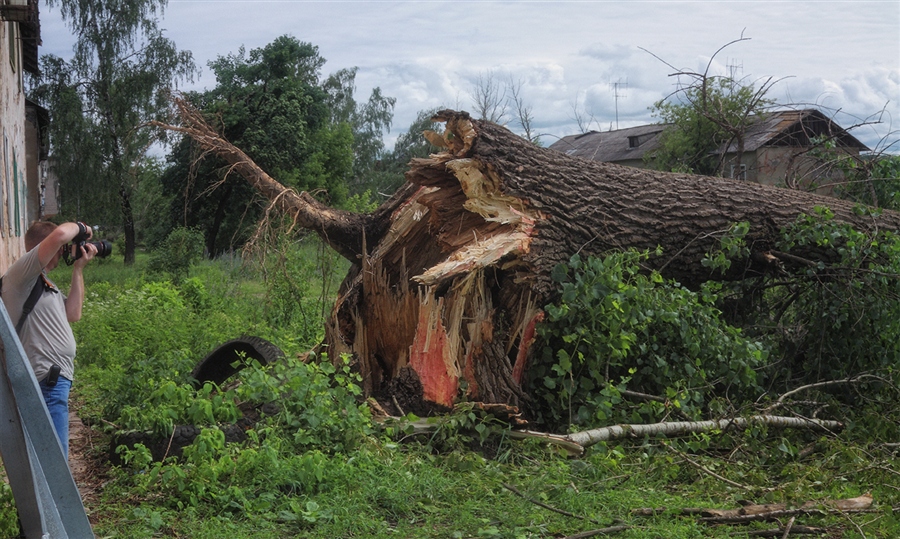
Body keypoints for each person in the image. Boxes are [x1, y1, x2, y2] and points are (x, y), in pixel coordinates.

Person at [1, 221, 98, 458]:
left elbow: (73, 313)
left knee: (52, 463)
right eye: (63, 248)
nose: (65, 251)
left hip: (55, 383)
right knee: (55, 464)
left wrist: (78, 269)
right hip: (47, 383)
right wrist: (83, 228)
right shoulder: (21, 275)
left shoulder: (42, 281)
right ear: (49, 246)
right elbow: (62, 233)